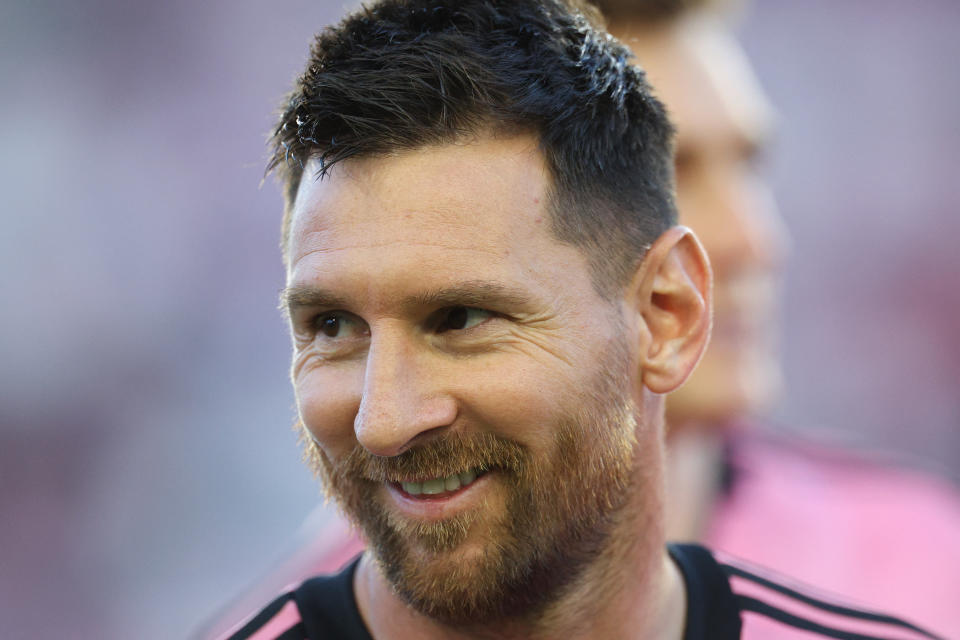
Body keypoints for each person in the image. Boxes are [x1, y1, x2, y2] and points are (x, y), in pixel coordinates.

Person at [214, 1, 943, 638]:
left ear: (667, 309)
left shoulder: (924, 559)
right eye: (677, 169)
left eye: (747, 165)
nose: (754, 240)